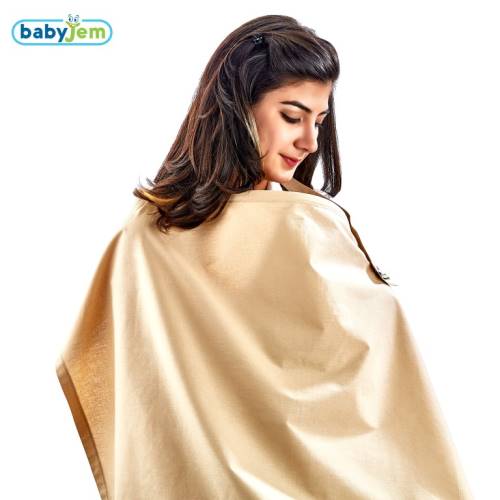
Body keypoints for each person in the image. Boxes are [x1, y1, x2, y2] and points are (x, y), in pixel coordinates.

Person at [56, 14, 473, 499]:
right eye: (292, 117)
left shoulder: (308, 226)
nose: (310, 142)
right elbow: (134, 386)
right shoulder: (151, 238)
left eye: (319, 121)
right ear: (237, 108)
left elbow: (370, 377)